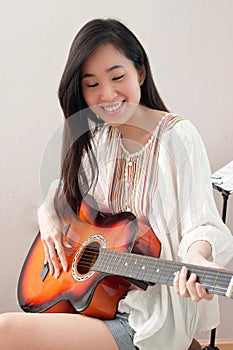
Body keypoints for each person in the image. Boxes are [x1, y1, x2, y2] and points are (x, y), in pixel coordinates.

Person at [0, 18, 233, 350]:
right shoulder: (98, 139)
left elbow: (200, 222)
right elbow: (67, 196)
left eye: (117, 77)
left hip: (146, 318)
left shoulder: (179, 137)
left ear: (139, 72)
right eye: (91, 84)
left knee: (5, 331)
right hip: (95, 303)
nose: (106, 95)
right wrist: (46, 215)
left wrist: (197, 257)